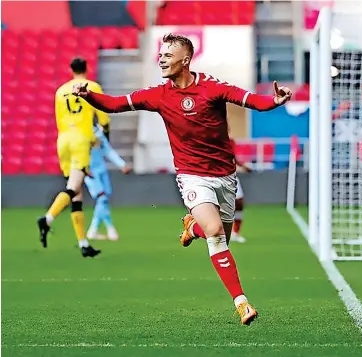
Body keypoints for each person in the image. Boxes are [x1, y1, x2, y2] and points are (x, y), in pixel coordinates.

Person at [72, 33, 292, 324]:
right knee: (215, 233)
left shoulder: (213, 87)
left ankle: (192, 226)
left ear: (185, 60)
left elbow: (249, 100)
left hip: (225, 176)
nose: (161, 58)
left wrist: (274, 101)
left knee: (219, 237)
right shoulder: (159, 94)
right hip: (192, 176)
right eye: (161, 54)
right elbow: (114, 104)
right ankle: (242, 303)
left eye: (167, 54)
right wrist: (90, 96)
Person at [37, 57, 110, 258]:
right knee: (74, 187)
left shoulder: (60, 91)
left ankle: (83, 244)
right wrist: (105, 134)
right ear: (86, 69)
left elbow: (58, 118)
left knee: (77, 194)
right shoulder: (92, 86)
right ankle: (48, 218)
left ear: (70, 70)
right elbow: (103, 115)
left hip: (63, 141)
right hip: (80, 140)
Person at [85, 125, 131, 241]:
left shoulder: (98, 132)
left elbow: (107, 150)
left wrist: (121, 164)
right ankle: (109, 229)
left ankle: (93, 230)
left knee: (104, 199)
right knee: (102, 199)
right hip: (90, 171)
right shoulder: (80, 132)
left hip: (102, 170)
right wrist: (84, 168)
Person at [229, 137, 252, 243]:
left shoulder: (230, 140)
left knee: (239, 203)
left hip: (230, 175)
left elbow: (231, 157)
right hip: (216, 176)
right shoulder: (210, 139)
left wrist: (243, 166)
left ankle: (235, 233)